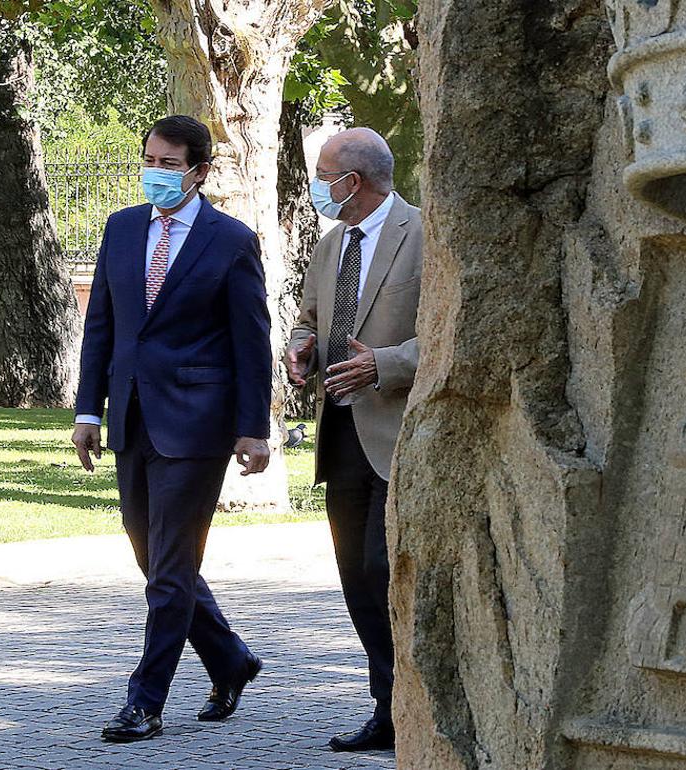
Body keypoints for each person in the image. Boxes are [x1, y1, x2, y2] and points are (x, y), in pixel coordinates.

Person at [71, 115, 273, 743]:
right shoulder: (122, 228)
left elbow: (252, 342)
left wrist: (253, 428)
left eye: (168, 164)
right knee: (154, 555)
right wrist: (87, 410)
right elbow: (101, 325)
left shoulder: (230, 240)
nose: (155, 172)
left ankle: (145, 701)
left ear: (199, 171)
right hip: (130, 414)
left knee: (169, 568)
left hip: (196, 425)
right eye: (149, 160)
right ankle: (230, 659)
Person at [286, 128, 421, 752]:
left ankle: (413, 707)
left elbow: (453, 333)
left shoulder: (424, 235)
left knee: (381, 568)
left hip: (398, 434)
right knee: (352, 576)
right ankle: (387, 709)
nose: (317, 185)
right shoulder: (332, 242)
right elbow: (309, 319)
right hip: (338, 430)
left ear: (354, 181)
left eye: (322, 173)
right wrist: (301, 346)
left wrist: (385, 364)